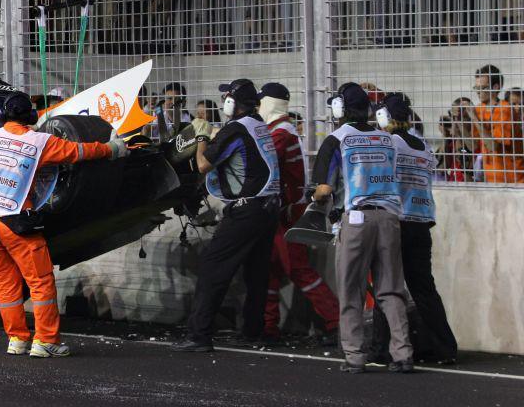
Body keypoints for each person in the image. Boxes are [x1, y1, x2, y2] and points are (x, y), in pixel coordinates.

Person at [0, 91, 127, 358]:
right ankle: (45, 340)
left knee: (5, 284)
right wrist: (112, 149)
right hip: (16, 221)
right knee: (40, 282)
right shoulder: (39, 142)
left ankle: (17, 339)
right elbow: (77, 151)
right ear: (30, 116)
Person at [309, 83, 412, 374]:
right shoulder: (387, 139)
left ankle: (355, 356)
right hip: (390, 219)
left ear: (339, 109)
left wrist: (313, 197)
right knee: (391, 290)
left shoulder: (336, 139)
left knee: (351, 289)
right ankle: (403, 354)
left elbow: (325, 189)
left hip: (356, 220)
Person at [176, 78, 281, 352]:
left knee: (213, 267)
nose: (224, 103)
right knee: (257, 273)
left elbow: (202, 165)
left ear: (233, 102)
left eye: (226, 98)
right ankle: (252, 330)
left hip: (248, 210)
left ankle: (198, 335)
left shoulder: (235, 129)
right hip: (269, 208)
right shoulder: (259, 126)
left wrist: (200, 137)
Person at [370, 93, 458, 365]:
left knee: (386, 286)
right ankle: (445, 348)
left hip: (398, 222)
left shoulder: (389, 143)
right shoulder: (422, 145)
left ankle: (380, 350)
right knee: (424, 289)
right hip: (422, 221)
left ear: (384, 116)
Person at [258, 83, 340, 344]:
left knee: (298, 269)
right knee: (270, 269)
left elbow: (261, 159)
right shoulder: (279, 131)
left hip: (289, 214)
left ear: (269, 102)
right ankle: (268, 327)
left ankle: (337, 322)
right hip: (281, 212)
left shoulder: (281, 133)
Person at [465, 65, 524, 183]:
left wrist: (475, 119)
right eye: (476, 88)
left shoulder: (506, 109)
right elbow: (473, 146)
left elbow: (493, 146)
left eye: (483, 88)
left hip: (514, 180)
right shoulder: (478, 109)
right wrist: (459, 121)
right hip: (492, 178)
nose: (478, 92)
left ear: (495, 87)